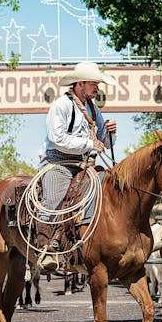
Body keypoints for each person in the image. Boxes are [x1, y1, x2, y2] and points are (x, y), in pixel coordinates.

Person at [36, 61, 117, 271]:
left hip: (84, 164)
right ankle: (45, 248)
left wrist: (109, 132)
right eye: (94, 83)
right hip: (58, 162)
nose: (97, 88)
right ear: (80, 83)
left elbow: (104, 143)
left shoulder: (92, 108)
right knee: (52, 200)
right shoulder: (61, 105)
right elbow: (57, 138)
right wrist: (91, 143)